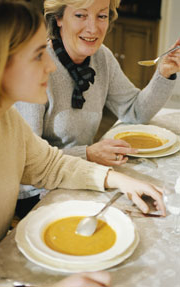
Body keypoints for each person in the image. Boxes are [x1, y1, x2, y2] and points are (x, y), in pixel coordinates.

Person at [0, 0, 166, 269]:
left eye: (102, 16)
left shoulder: (8, 122)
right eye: (38, 54)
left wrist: (118, 179)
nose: (50, 67)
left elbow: (48, 164)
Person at [15, 0, 180, 212]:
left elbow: (135, 111)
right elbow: (28, 160)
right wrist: (88, 154)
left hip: (80, 174)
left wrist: (164, 73)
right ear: (58, 19)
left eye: (101, 16)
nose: (93, 28)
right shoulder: (36, 68)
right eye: (81, 15)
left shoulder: (102, 58)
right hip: (34, 192)